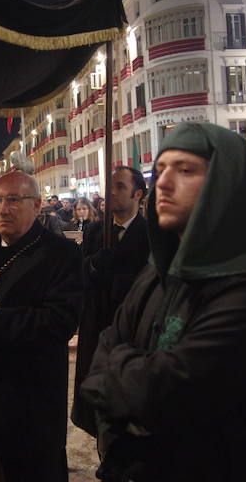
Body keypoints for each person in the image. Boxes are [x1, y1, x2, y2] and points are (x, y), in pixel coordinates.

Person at [78, 123, 246, 481]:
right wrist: (128, 376)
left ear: (224, 185)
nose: (163, 182)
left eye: (185, 170)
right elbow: (98, 361)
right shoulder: (156, 271)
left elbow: (171, 394)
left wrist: (119, 373)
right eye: (161, 170)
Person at [0, 171, 83, 482]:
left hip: (33, 404)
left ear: (36, 206)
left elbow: (58, 323)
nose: (2, 208)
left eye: (12, 200)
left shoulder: (60, 254)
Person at [72, 167, 150, 438]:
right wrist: (94, 265)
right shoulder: (96, 232)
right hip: (97, 327)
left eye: (119, 186)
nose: (111, 192)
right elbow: (79, 272)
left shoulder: (150, 234)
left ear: (137, 194)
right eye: (110, 186)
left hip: (131, 333)